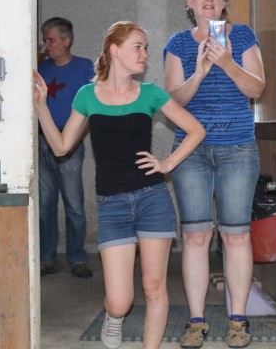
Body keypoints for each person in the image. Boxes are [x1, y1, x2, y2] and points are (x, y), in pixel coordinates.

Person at [34, 21, 205, 349]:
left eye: (146, 47)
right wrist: (41, 106)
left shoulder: (151, 93)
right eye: (137, 47)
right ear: (114, 50)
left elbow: (196, 130)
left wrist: (167, 163)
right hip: (112, 204)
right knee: (119, 301)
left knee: (154, 288)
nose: (145, 54)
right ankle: (113, 318)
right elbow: (60, 147)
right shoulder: (88, 95)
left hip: (153, 199)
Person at [163, 0, 266, 348]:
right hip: (190, 152)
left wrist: (227, 63)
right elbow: (174, 100)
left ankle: (238, 321)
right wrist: (201, 70)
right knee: (194, 236)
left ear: (224, 1)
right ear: (189, 1)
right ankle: (196, 321)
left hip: (237, 148)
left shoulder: (243, 36)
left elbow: (256, 88)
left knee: (236, 235)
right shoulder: (177, 43)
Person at [38, 17, 95, 278]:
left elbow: (93, 109)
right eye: (45, 40)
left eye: (51, 40)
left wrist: (74, 140)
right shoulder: (41, 68)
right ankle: (46, 258)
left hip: (71, 143)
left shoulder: (84, 67)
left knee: (74, 204)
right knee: (45, 205)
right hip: (42, 142)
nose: (47, 45)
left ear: (66, 40)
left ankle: (77, 258)